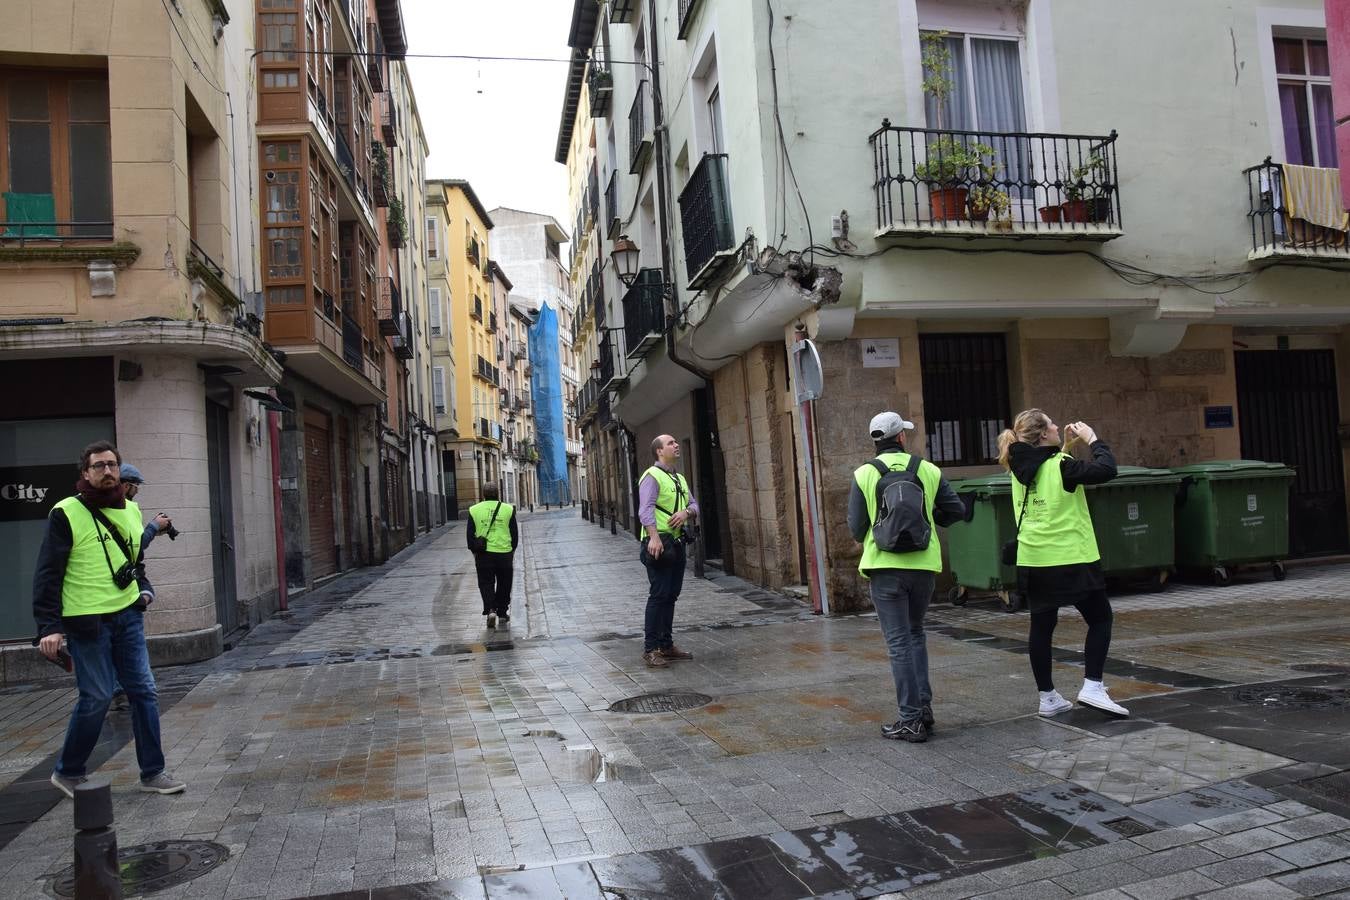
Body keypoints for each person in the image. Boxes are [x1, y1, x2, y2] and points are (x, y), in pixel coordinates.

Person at [32, 442, 186, 798]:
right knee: (98, 696)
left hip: (127, 615)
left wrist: (143, 589)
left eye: (112, 465)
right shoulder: (66, 512)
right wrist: (49, 627)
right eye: (98, 466)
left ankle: (153, 772)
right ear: (85, 473)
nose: (107, 471)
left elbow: (134, 560)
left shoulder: (132, 510)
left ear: (120, 470)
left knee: (144, 692)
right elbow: (47, 573)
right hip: (86, 620)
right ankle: (69, 770)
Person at [848, 411, 969, 743]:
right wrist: (928, 516)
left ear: (876, 441)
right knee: (916, 637)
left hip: (884, 567)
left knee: (898, 642)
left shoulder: (864, 474)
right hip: (923, 567)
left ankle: (910, 718)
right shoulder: (927, 469)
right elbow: (956, 511)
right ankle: (923, 711)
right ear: (901, 437)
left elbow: (856, 527)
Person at [998, 410, 1127, 718]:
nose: (1057, 426)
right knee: (1100, 620)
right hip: (1071, 558)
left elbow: (1046, 473)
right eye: (1052, 424)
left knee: (1042, 627)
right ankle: (1093, 687)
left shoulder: (1017, 467)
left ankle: (1048, 698)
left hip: (1034, 560)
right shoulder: (1061, 466)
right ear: (1043, 435)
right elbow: (1106, 469)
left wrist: (1066, 448)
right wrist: (1092, 438)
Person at [637, 435, 699, 668]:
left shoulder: (679, 478)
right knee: (659, 595)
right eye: (671, 443)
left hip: (677, 543)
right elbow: (645, 509)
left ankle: (666, 645)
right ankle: (651, 649)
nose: (676, 445)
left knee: (671, 595)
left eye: (676, 442)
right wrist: (653, 537)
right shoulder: (651, 477)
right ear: (659, 451)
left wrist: (686, 514)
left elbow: (694, 505)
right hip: (659, 544)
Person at [467, 482, 518, 629]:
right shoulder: (508, 509)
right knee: (504, 583)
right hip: (504, 553)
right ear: (498, 493)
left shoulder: (474, 510)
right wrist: (512, 550)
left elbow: (470, 536)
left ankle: (490, 610)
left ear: (483, 494)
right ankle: (502, 612)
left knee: (486, 583)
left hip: (484, 554)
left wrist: (475, 551)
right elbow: (514, 534)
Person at [119, 464, 174, 551]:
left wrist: (153, 531)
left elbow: (127, 541)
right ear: (126, 486)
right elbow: (139, 544)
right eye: (136, 486)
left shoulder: (108, 506)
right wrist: (154, 526)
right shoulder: (126, 507)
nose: (137, 491)